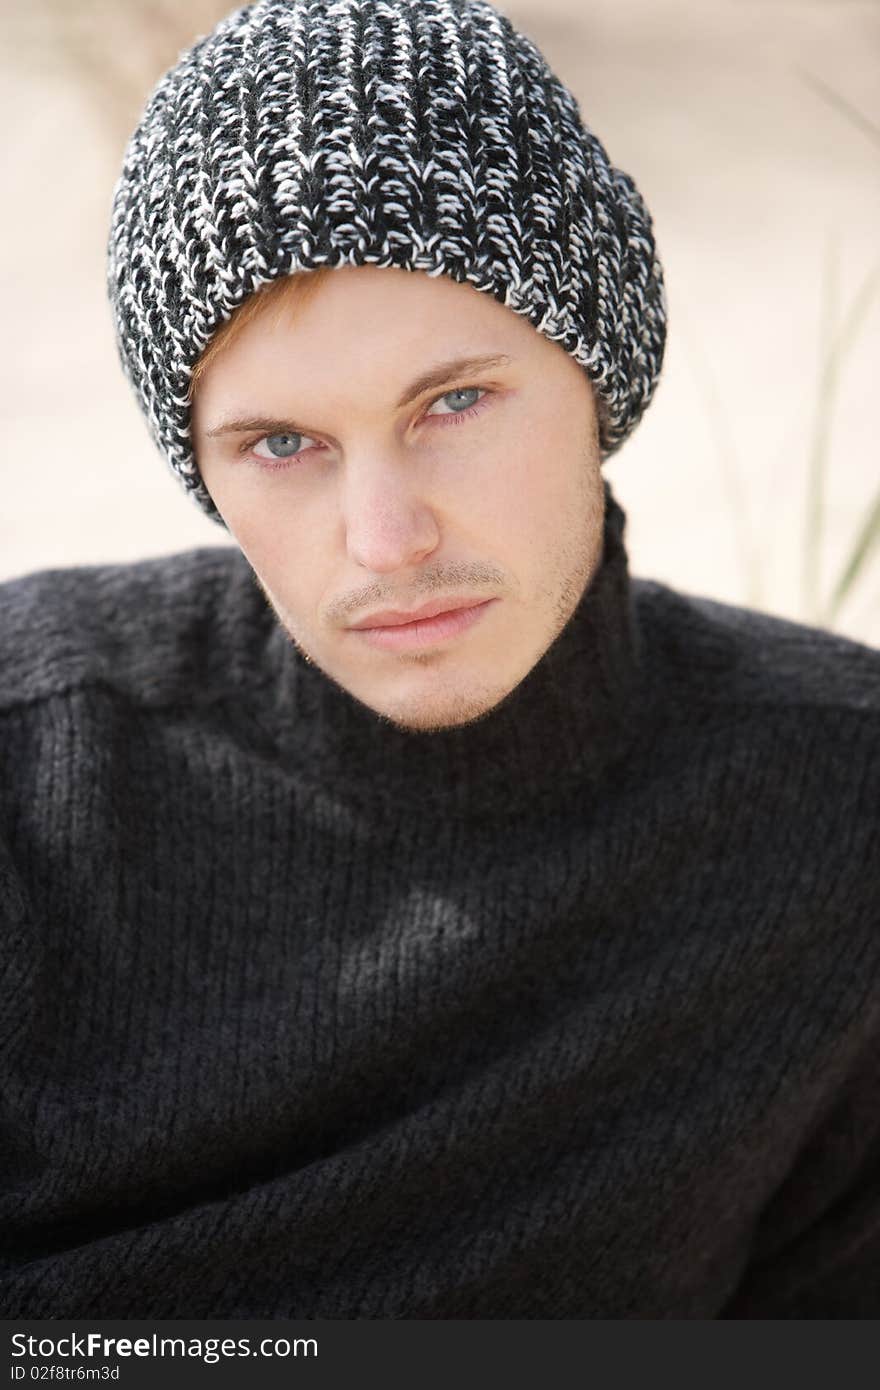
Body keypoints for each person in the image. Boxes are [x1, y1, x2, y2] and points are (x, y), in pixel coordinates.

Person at [1, 0, 877, 1321]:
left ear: (600, 365)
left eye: (453, 401)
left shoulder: (836, 813)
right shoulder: (36, 771)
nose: (384, 539)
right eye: (282, 445)